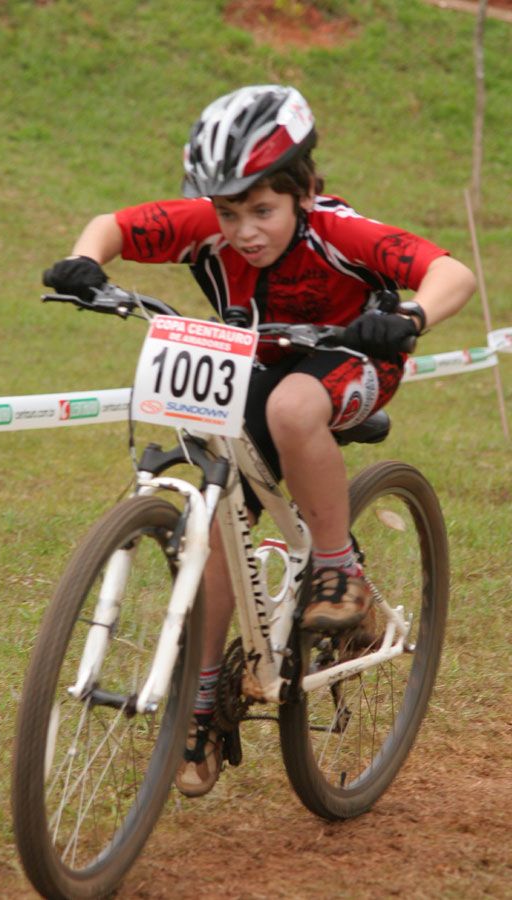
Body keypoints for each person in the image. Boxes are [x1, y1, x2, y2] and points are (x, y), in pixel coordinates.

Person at [43, 84, 476, 799]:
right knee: (214, 512)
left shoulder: (340, 234)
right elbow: (111, 225)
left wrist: (412, 316)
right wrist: (85, 263)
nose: (244, 231)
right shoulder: (211, 229)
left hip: (354, 358)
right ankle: (205, 695)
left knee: (294, 406)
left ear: (306, 191)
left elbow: (450, 272)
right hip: (254, 364)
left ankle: (341, 570)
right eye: (229, 212)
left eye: (263, 211)